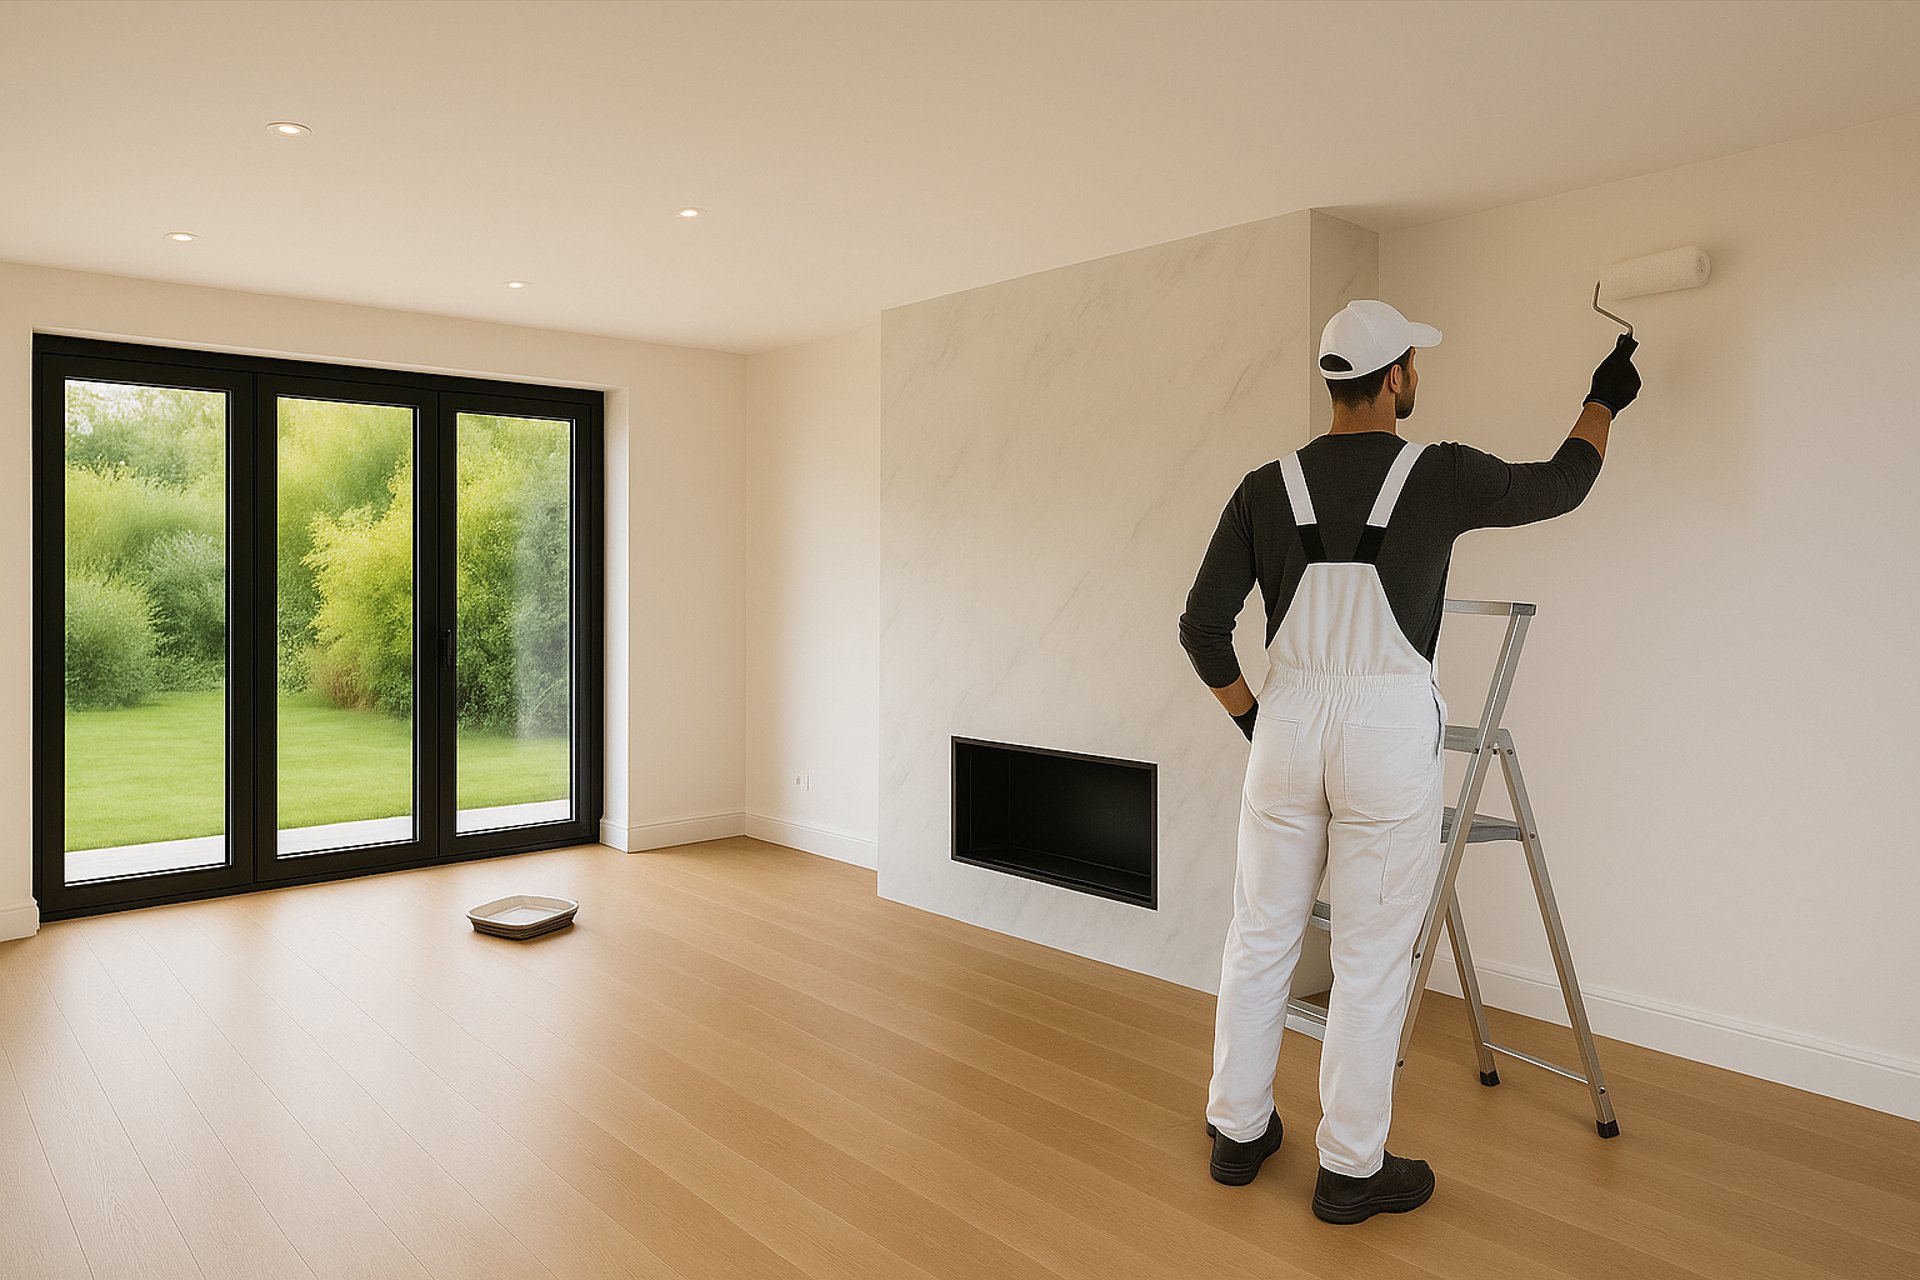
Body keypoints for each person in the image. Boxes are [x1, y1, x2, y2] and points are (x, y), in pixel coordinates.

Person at [1176, 300, 1639, 1223]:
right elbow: (1563, 483)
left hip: (1286, 729)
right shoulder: (1441, 474)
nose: (1415, 377)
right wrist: (1604, 399)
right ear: (1394, 378)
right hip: (1385, 738)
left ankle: (1237, 1131)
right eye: (1413, 365)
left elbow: (1202, 628)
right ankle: (1350, 1169)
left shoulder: (1264, 487)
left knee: (1260, 936)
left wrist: (1257, 721)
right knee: (1370, 958)